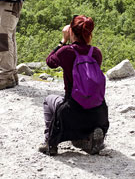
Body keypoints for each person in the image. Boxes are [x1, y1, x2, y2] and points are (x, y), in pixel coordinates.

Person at [39, 15, 109, 156]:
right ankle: (89, 138)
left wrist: (63, 40)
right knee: (84, 123)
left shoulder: (67, 51)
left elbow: (49, 62)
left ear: (71, 31)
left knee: (49, 101)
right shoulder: (96, 53)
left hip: (71, 111)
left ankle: (49, 143)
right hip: (98, 113)